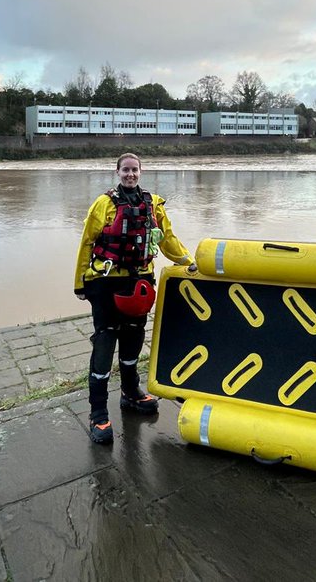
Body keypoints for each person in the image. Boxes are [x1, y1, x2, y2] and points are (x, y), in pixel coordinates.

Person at [75, 152, 197, 444]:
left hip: (140, 281)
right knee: (105, 341)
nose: (130, 174)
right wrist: (80, 283)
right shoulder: (103, 204)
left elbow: (167, 239)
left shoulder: (153, 204)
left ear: (140, 172)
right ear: (117, 172)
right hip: (105, 283)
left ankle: (131, 393)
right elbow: (86, 243)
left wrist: (190, 262)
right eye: (125, 170)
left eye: (134, 170)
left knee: (133, 338)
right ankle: (98, 412)